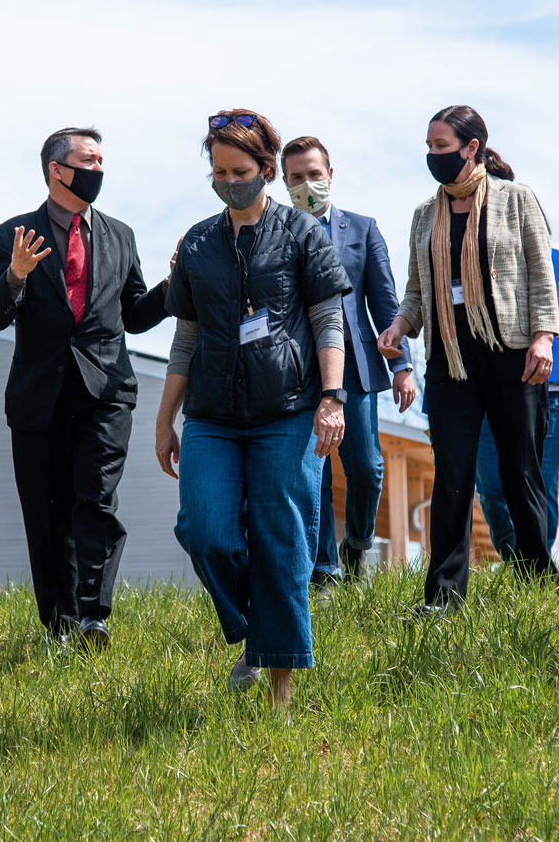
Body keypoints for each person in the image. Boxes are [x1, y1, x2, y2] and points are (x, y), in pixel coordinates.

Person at [156, 109, 351, 710]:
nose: (229, 180)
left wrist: (331, 397)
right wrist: (166, 418)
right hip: (212, 415)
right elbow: (185, 336)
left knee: (282, 540)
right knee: (204, 530)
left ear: (267, 170)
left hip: (288, 411)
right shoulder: (196, 242)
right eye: (218, 171)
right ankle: (258, 632)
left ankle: (280, 694)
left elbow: (327, 321)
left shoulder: (302, 233)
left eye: (240, 170)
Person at [0, 127, 171, 649]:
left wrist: (173, 288)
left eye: (102, 160)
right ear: (56, 170)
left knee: (96, 500)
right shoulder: (10, 236)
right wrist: (15, 276)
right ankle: (59, 625)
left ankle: (93, 616)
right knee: (46, 515)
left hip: (105, 392)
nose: (98, 170)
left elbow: (134, 314)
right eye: (88, 160)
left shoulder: (121, 236)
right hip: (39, 399)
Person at [376, 106, 559, 614]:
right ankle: (443, 595)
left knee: (520, 469)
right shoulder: (423, 215)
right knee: (453, 472)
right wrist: (399, 325)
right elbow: (416, 291)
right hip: (450, 360)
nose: (433, 155)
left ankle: (539, 577)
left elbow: (542, 278)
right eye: (429, 146)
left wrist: (544, 338)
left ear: (471, 147)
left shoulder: (516, 201)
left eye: (441, 146)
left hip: (512, 353)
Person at [281, 135, 417, 585]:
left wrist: (401, 367)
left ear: (330, 175)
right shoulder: (274, 232)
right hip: (297, 371)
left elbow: (384, 302)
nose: (307, 184)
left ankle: (356, 544)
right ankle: (324, 571)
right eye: (296, 177)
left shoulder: (362, 229)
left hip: (356, 367)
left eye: (314, 175)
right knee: (313, 470)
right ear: (284, 182)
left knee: (367, 467)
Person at [474, 247, 559, 560]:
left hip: (553, 389)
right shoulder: (479, 256)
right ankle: (515, 559)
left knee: (543, 483)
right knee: (492, 488)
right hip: (490, 389)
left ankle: (535, 571)